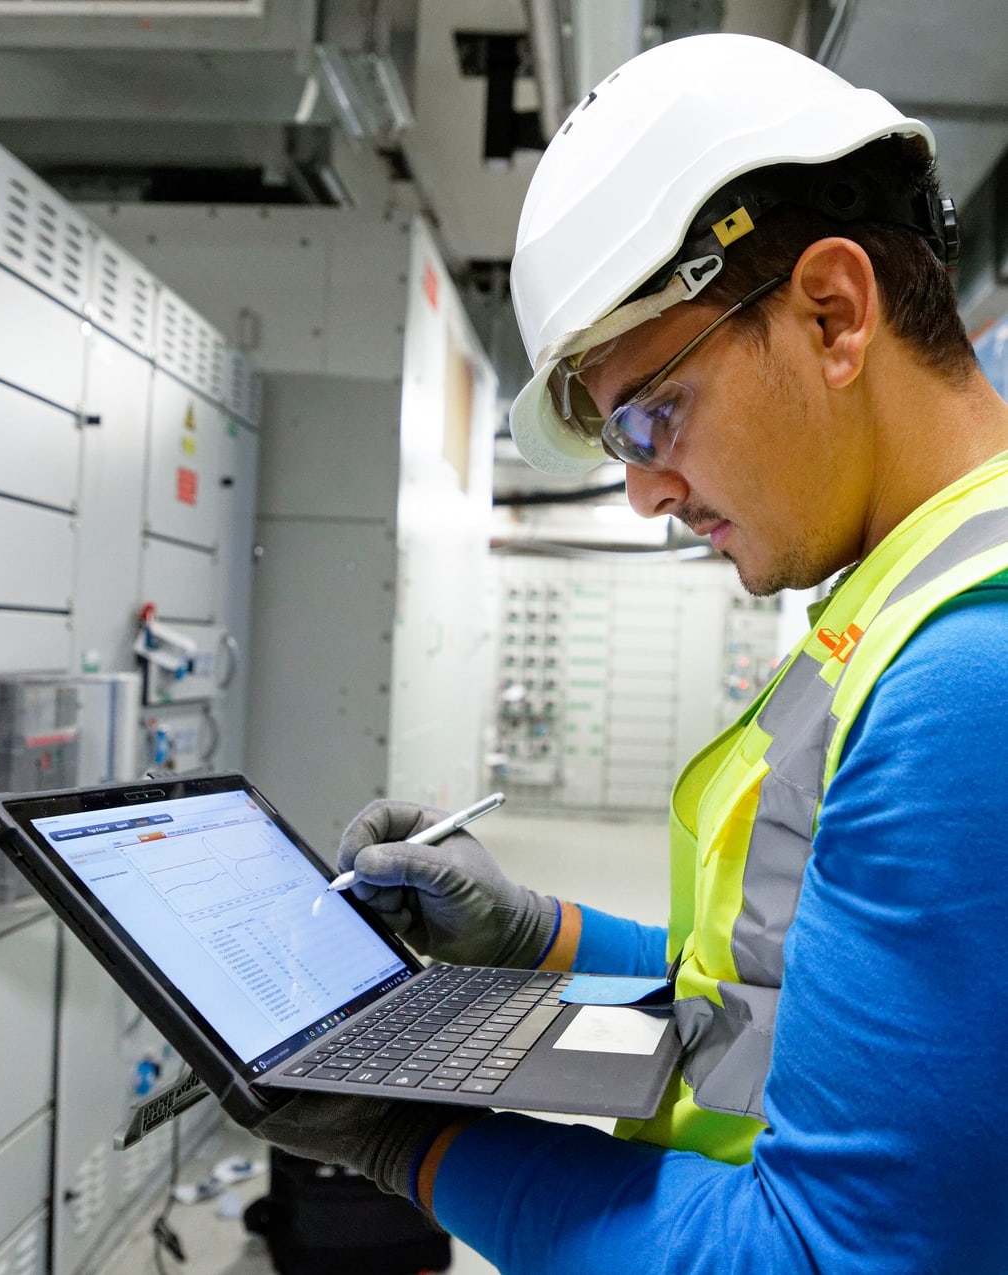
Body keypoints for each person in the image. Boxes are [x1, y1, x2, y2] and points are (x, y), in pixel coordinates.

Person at [253, 32, 1008, 1272]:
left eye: (653, 415)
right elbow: (781, 1007)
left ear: (831, 313)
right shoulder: (910, 594)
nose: (647, 495)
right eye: (621, 443)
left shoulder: (964, 679)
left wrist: (416, 1145)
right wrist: (536, 937)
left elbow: (821, 1259)